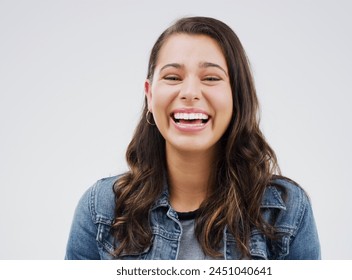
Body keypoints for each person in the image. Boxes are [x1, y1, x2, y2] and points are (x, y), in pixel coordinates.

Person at [65, 16, 320, 260]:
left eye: (211, 78)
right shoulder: (100, 207)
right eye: (172, 77)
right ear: (149, 95)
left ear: (237, 96)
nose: (189, 92)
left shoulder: (286, 211)